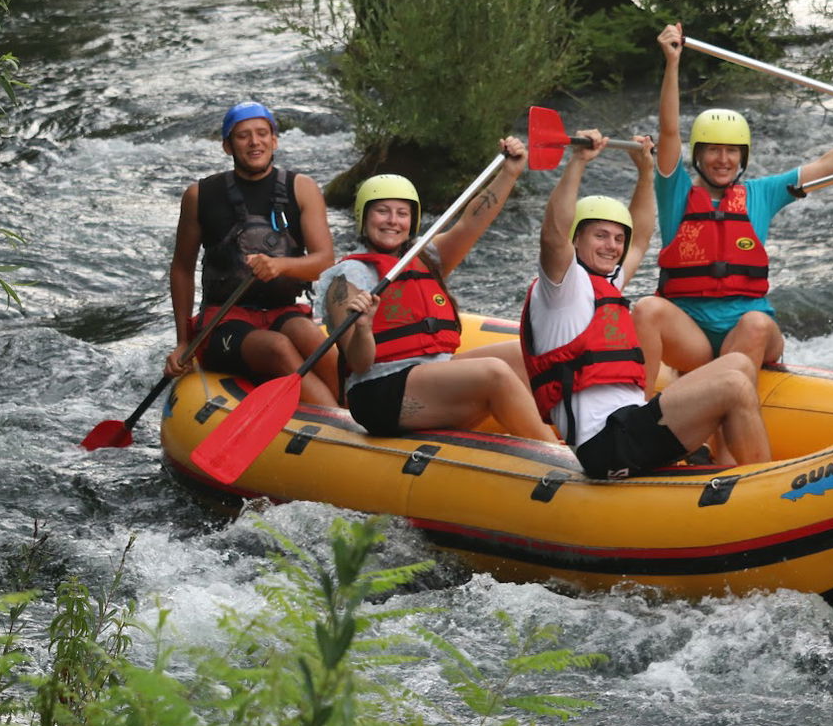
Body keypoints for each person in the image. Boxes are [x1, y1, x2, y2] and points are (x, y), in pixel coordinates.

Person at [635, 23, 833, 377]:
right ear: (697, 154)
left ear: (743, 157)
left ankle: (725, 402)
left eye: (732, 152)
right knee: (646, 308)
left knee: (756, 324)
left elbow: (828, 165)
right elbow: (669, 131)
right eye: (713, 150)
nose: (723, 160)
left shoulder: (761, 193)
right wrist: (672, 62)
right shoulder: (675, 192)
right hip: (691, 336)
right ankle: (636, 413)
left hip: (750, 329)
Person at [522, 129, 771, 478]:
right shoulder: (560, 286)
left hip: (634, 426)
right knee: (735, 385)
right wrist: (577, 163)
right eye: (600, 235)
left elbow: (639, 236)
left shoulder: (607, 281)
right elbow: (551, 234)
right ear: (575, 238)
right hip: (604, 445)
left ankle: (730, 466)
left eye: (616, 238)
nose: (612, 245)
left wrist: (645, 172)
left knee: (739, 365)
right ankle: (766, 485)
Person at [320, 138, 558, 442]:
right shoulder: (346, 278)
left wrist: (509, 172)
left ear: (413, 219)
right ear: (363, 217)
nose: (393, 221)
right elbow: (359, 363)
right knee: (494, 372)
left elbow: (471, 223)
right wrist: (364, 327)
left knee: (523, 355)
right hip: (381, 393)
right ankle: (554, 456)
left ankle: (565, 433)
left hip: (433, 373)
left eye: (402, 213)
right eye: (382, 211)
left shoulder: (425, 259)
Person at [165, 101, 338, 405]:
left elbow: (324, 263)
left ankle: (356, 410)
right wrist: (182, 341)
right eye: (243, 136)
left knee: (310, 337)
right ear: (227, 146)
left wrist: (281, 266)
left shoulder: (302, 188)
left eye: (262, 133)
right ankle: (338, 422)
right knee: (277, 348)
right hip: (222, 321)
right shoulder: (200, 195)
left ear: (275, 140)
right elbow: (182, 268)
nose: (254, 142)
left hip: (282, 311)